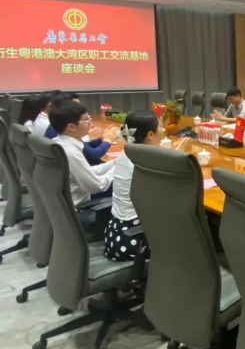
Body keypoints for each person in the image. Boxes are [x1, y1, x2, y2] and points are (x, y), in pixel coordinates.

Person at [104, 109, 163, 262]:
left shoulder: (128, 154)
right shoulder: (145, 163)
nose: (163, 130)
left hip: (115, 234)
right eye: (160, 126)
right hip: (135, 240)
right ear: (150, 134)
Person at [50, 100, 115, 232]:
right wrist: (118, 170)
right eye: (86, 120)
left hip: (65, 204)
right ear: (71, 127)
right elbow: (96, 186)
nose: (89, 122)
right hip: (81, 208)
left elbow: (87, 171)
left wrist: (114, 163)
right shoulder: (71, 152)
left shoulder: (59, 142)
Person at [45, 93, 119, 165]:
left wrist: (101, 139)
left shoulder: (60, 130)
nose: (79, 107)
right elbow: (93, 155)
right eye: (76, 105)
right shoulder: (67, 145)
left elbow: (84, 146)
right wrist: (107, 140)